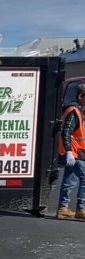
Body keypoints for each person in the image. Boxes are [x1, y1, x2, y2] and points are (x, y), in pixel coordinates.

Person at [56, 83, 85, 220]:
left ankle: (63, 208)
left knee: (70, 180)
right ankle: (81, 209)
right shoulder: (74, 112)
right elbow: (66, 131)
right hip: (74, 152)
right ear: (80, 96)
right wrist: (68, 151)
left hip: (76, 153)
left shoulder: (77, 111)